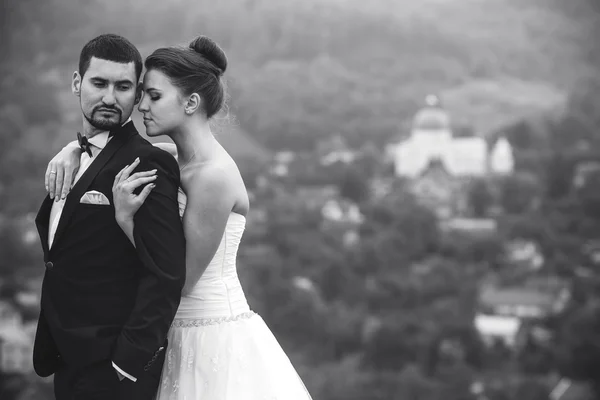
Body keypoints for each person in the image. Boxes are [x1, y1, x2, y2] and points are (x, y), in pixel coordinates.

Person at [47, 35, 313, 400]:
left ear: (190, 102)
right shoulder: (171, 156)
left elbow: (181, 280)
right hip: (170, 333)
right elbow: (104, 150)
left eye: (153, 96)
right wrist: (71, 151)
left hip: (209, 333)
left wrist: (127, 221)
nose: (141, 105)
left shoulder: (213, 176)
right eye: (141, 93)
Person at [34, 34, 186, 400]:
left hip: (113, 370)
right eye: (98, 83)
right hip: (67, 358)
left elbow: (166, 273)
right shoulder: (73, 158)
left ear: (136, 95)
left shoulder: (147, 162)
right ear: (76, 83)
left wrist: (127, 363)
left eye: (122, 87)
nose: (108, 97)